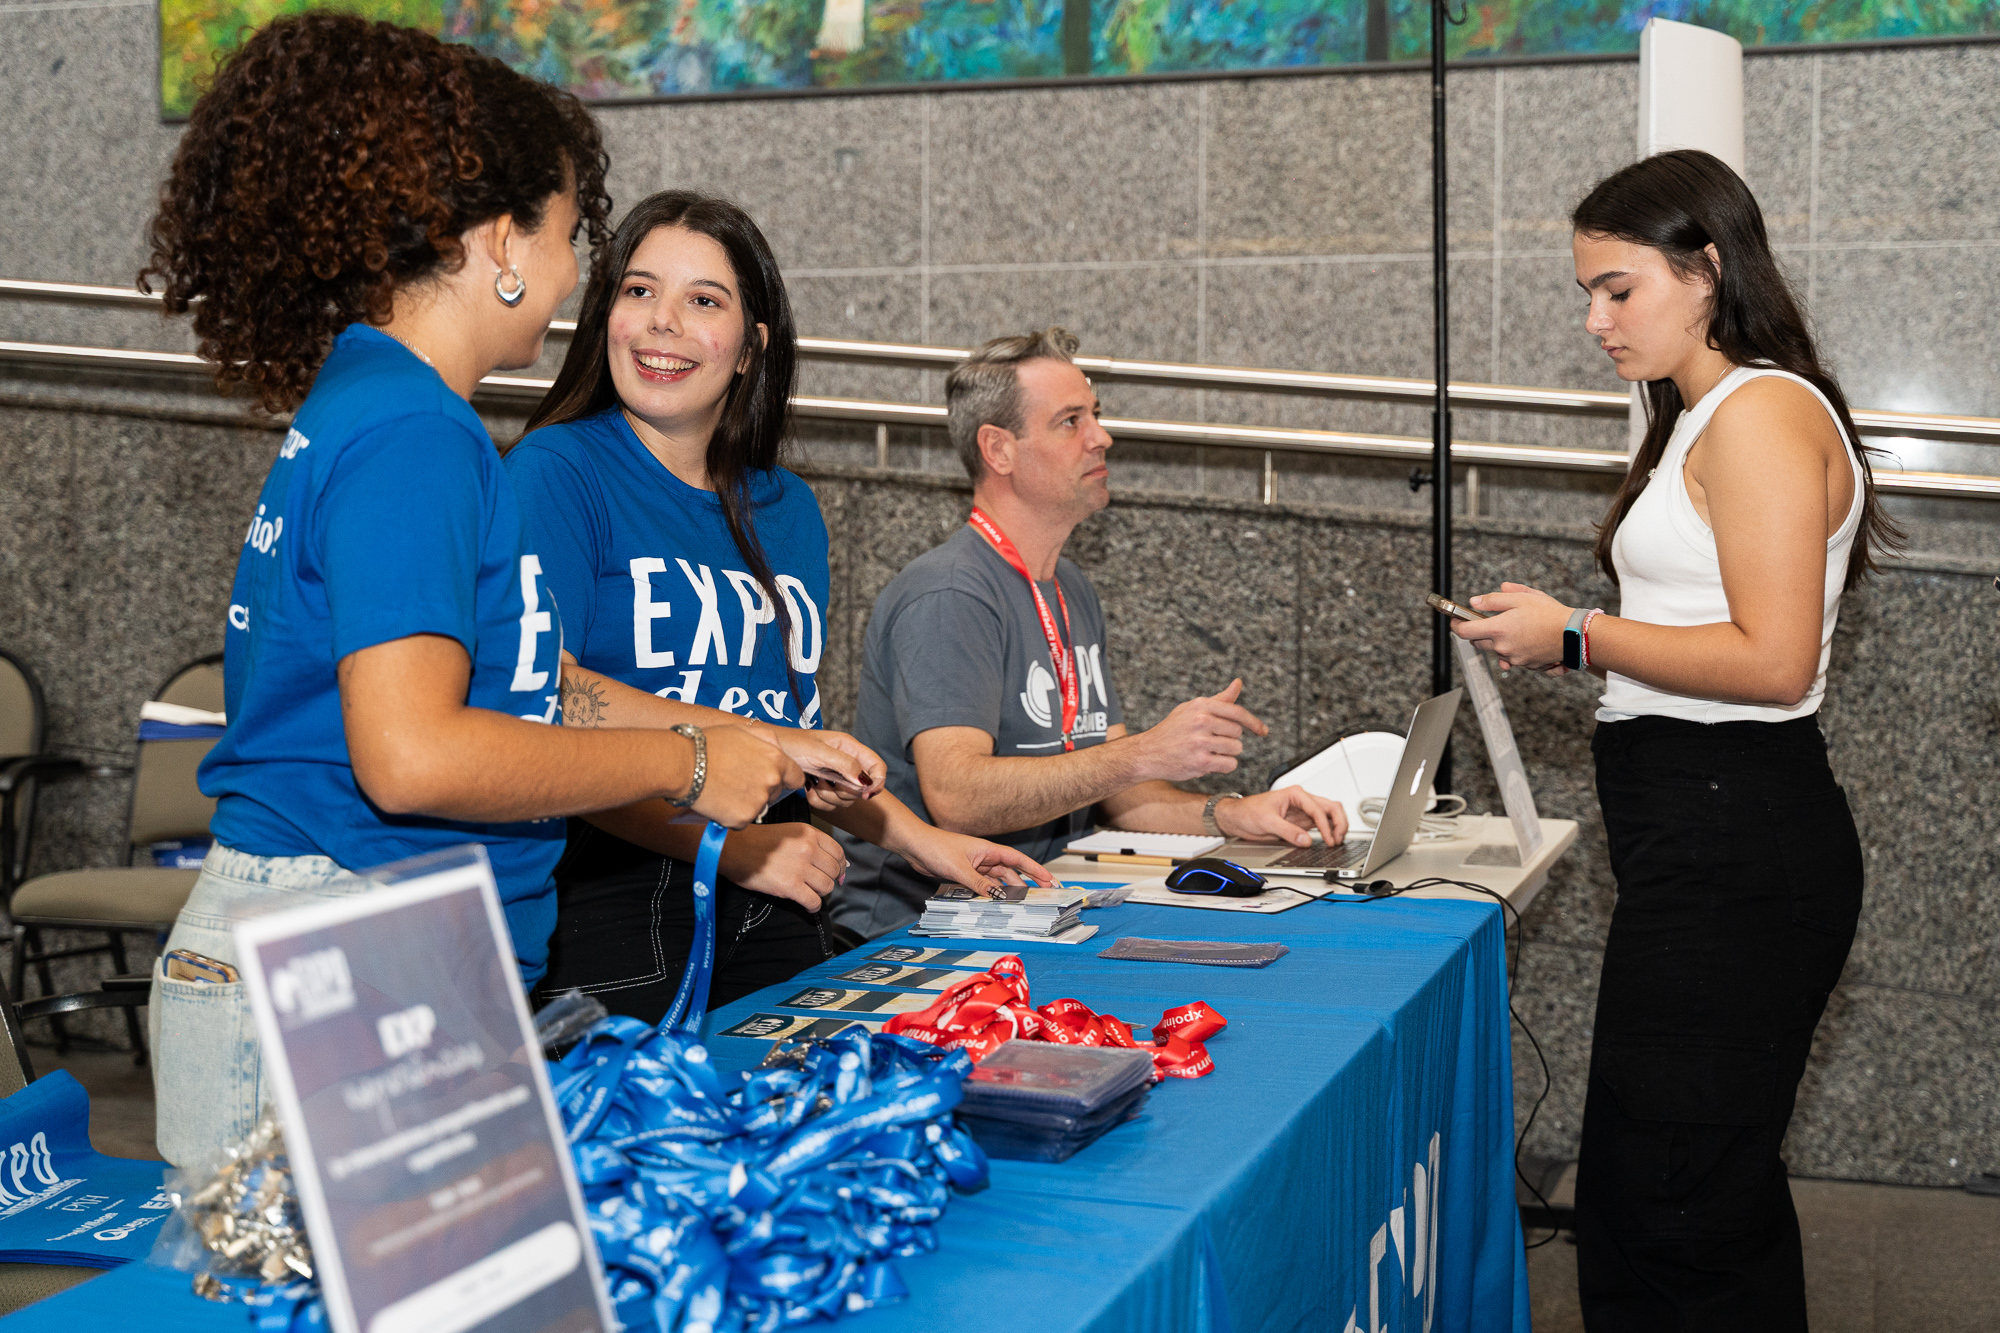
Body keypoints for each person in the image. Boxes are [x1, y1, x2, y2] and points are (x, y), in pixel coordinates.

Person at [138, 18, 875, 1166]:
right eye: (574, 234)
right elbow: (415, 754)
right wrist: (684, 766)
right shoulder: (414, 433)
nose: (577, 274)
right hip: (330, 961)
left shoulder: (391, 407)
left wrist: (740, 734)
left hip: (385, 955)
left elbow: (534, 687)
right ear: (500, 243)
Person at [1454, 150, 1900, 1331]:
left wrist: (1577, 634)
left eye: (1616, 289)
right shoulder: (1709, 409)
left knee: (1672, 1204)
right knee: (1689, 1194)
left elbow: (1771, 660)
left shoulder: (1755, 412)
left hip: (1734, 838)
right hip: (1703, 832)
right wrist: (1567, 633)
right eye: (1585, 294)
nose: (1593, 320)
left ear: (1704, 270)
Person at [505, 191, 1054, 1020]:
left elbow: (791, 746)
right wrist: (726, 846)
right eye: (639, 290)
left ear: (752, 347)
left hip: (777, 880)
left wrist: (925, 843)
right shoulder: (557, 471)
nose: (662, 323)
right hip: (617, 898)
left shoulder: (788, 509)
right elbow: (548, 707)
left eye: (703, 301)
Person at [831, 328, 1349, 940]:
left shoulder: (1069, 586)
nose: (1101, 437)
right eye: (1070, 421)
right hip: (917, 934)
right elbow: (958, 797)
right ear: (998, 450)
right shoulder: (949, 596)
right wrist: (1146, 751)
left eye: (1095, 416)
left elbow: (1119, 790)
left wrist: (1231, 813)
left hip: (1042, 912)